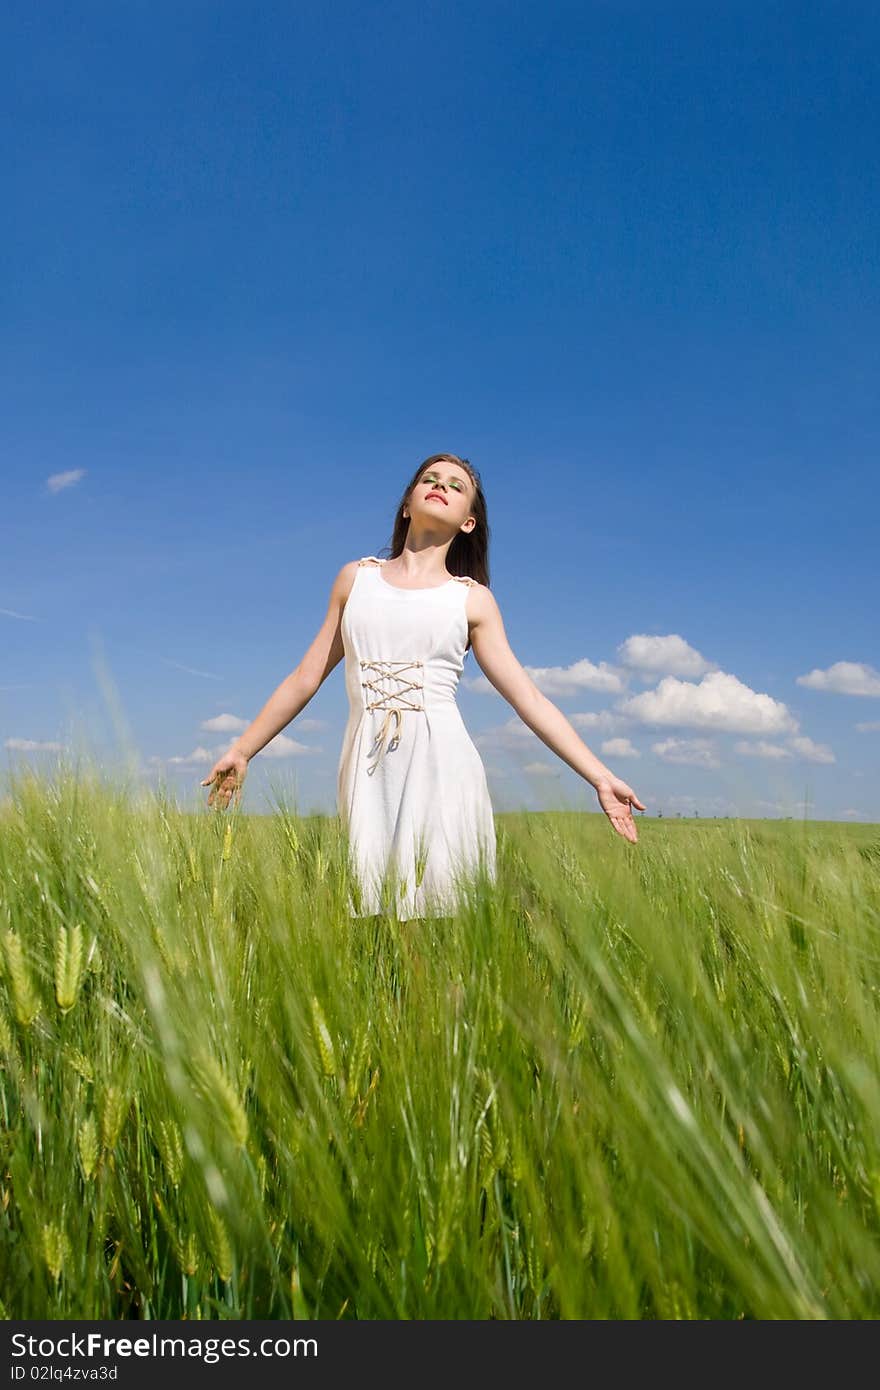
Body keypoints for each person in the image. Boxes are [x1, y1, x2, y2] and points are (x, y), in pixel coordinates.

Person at [202, 452, 646, 919]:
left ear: (469, 523)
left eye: (456, 485)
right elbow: (304, 678)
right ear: (407, 505)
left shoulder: (472, 601)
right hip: (368, 768)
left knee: (440, 925)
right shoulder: (356, 579)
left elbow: (528, 699)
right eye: (429, 479)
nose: (441, 485)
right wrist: (243, 749)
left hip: (441, 766)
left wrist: (599, 776)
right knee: (375, 923)